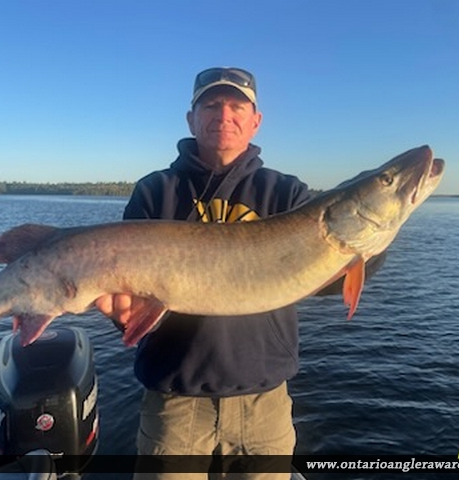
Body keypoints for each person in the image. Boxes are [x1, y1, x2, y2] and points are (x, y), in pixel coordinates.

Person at [95, 67, 382, 479]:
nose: (223, 114)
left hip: (263, 402)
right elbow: (123, 287)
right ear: (191, 118)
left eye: (236, 106)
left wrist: (369, 250)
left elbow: (326, 278)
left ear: (255, 120)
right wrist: (117, 311)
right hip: (174, 399)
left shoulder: (286, 193)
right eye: (211, 105)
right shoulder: (155, 191)